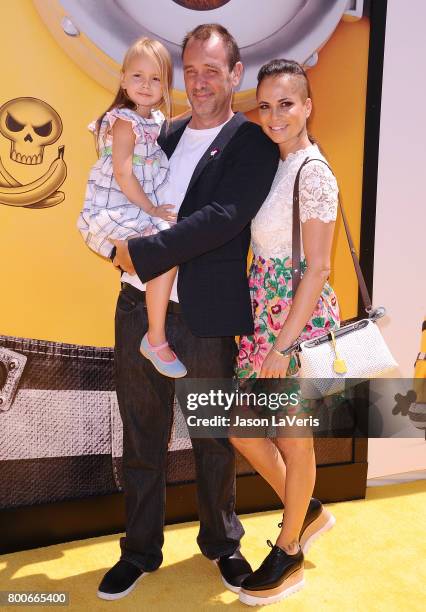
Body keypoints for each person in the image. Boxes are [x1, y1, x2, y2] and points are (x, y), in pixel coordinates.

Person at [97, 25, 280, 600]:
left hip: (204, 315)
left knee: (211, 438)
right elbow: (116, 187)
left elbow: (224, 217)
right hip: (137, 305)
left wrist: (145, 250)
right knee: (141, 434)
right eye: (192, 70)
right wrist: (112, 244)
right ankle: (139, 551)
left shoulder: (250, 142)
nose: (200, 82)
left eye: (212, 70)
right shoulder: (162, 132)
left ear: (234, 75)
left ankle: (223, 545)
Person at [230, 59, 340, 606]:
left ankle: (289, 548)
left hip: (296, 319)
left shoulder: (313, 173)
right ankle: (310, 508)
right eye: (266, 104)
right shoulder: (274, 163)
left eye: (286, 104)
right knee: (239, 428)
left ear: (307, 106)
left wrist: (283, 344)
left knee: (294, 440)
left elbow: (318, 268)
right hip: (261, 310)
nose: (274, 116)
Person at [77, 37, 186, 378]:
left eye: (155, 79)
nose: (146, 85)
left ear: (166, 87)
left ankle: (154, 335)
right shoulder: (124, 120)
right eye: (138, 76)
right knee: (165, 252)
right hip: (118, 208)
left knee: (165, 254)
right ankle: (155, 337)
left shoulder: (151, 121)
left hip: (132, 210)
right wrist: (151, 209)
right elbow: (123, 172)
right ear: (123, 79)